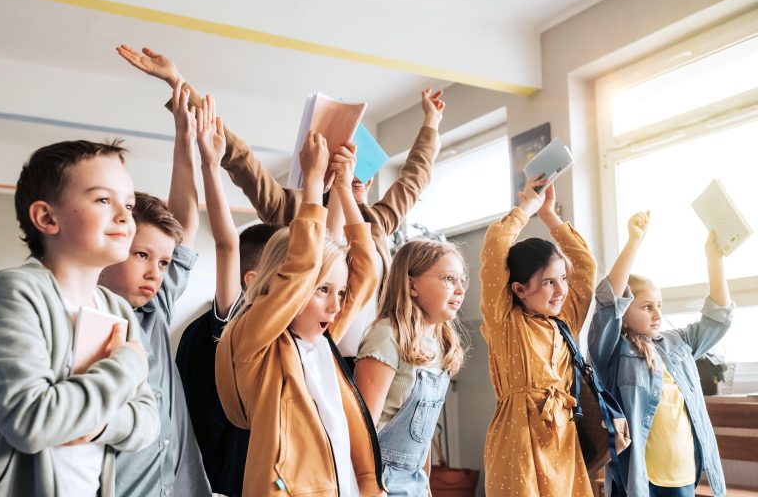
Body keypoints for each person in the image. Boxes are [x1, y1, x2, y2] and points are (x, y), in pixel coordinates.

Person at [115, 43, 445, 361]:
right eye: (346, 165)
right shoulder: (294, 210)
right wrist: (178, 83)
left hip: (364, 356)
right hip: (303, 349)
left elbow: (414, 180)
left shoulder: (374, 223)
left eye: (362, 171)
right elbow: (241, 159)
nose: (357, 178)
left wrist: (430, 125)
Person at [215, 131, 385, 496]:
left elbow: (367, 270)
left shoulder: (323, 339)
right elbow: (303, 268)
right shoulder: (256, 343)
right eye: (323, 291)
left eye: (339, 292)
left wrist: (342, 189)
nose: (336, 304)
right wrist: (312, 183)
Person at [0, 140, 159, 496]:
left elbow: (148, 422)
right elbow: (30, 420)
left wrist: (96, 425)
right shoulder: (15, 291)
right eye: (103, 200)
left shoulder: (117, 310)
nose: (125, 216)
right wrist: (127, 364)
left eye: (127, 204)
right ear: (47, 218)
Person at [99, 80, 210, 496]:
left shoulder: (155, 308)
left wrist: (185, 140)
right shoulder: (84, 318)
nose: (155, 273)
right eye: (141, 256)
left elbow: (185, 219)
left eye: (163, 263)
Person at [175, 93, 281, 496]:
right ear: (252, 281)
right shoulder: (230, 322)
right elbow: (226, 245)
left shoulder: (276, 335)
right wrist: (209, 163)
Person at [588, 211, 733, 497]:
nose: (658, 315)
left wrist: (714, 260)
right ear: (624, 313)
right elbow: (608, 302)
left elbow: (718, 318)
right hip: (639, 480)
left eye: (660, 306)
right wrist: (634, 241)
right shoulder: (613, 351)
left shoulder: (677, 343)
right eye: (646, 307)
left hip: (682, 474)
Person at [479, 179, 597, 496]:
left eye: (562, 279)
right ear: (518, 289)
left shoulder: (565, 321)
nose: (560, 290)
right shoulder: (505, 322)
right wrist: (528, 208)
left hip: (563, 439)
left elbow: (585, 266)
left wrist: (549, 215)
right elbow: (496, 247)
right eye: (548, 282)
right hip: (518, 443)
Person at [354, 239, 467, 496]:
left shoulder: (441, 344)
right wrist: (369, 487)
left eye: (463, 280)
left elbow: (423, 436)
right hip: (380, 479)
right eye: (449, 278)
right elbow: (362, 428)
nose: (460, 289)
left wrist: (425, 482)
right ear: (412, 284)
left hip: (415, 480)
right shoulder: (386, 336)